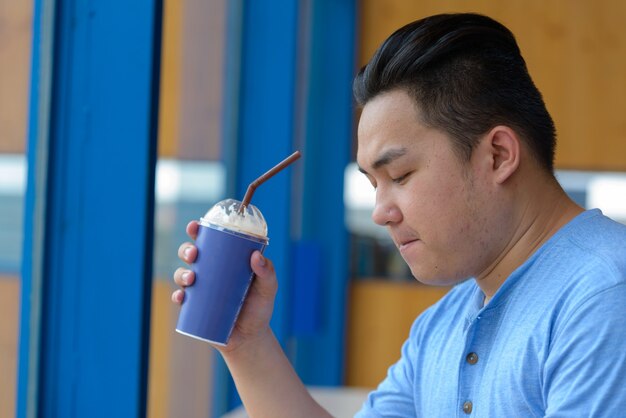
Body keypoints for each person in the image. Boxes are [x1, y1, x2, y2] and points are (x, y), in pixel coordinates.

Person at [172, 13, 626, 417]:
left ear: (498, 155)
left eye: (401, 174)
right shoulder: (443, 325)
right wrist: (245, 340)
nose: (380, 213)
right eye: (373, 184)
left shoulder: (603, 296)